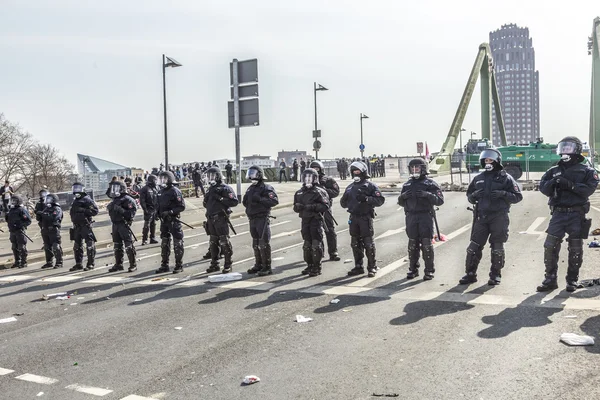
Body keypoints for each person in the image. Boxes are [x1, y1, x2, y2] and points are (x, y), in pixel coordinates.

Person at [537, 136, 599, 292]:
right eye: (562, 148)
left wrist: (569, 185)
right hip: (558, 214)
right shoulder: (553, 170)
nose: (564, 151)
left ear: (576, 150)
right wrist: (554, 182)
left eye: (568, 148)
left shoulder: (587, 171)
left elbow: (588, 190)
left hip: (576, 215)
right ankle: (550, 279)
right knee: (550, 246)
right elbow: (543, 188)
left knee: (575, 248)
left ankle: (572, 280)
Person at [459, 148, 523, 286]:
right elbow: (469, 196)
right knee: (473, 247)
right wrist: (474, 196)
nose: (488, 162)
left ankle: (495, 275)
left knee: (497, 247)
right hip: (481, 217)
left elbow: (518, 197)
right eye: (486, 160)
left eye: (490, 160)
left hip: (499, 217)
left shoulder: (506, 178)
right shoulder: (478, 178)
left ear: (497, 161)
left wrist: (503, 194)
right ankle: (470, 274)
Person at [397, 158, 444, 280]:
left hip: (425, 216)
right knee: (412, 244)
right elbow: (401, 202)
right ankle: (413, 269)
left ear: (422, 168)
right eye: (412, 168)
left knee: (426, 244)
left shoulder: (430, 183)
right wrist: (403, 197)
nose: (414, 170)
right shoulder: (407, 184)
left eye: (416, 168)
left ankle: (429, 270)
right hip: (411, 216)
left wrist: (427, 195)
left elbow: (440, 200)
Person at [340, 161, 385, 277]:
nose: (356, 173)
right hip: (353, 217)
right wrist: (345, 199)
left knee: (368, 243)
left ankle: (372, 266)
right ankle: (358, 266)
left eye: (358, 171)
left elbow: (380, 200)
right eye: (354, 171)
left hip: (365, 217)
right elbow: (343, 204)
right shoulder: (350, 187)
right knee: (355, 243)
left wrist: (366, 199)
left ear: (363, 172)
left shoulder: (370, 185)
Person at [243, 165, 279, 276]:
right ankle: (258, 264)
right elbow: (245, 201)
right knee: (256, 243)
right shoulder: (251, 188)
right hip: (252, 218)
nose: (251, 176)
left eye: (253, 173)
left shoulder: (266, 187)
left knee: (263, 243)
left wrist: (260, 199)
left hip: (262, 218)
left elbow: (274, 201)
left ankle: (267, 266)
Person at [293, 168, 330, 277]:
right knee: (307, 244)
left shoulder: (319, 191)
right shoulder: (299, 192)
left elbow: (325, 205)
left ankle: (316, 266)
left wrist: (312, 207)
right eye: (306, 177)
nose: (308, 180)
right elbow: (295, 206)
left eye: (310, 177)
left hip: (316, 220)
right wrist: (297, 207)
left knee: (315, 244)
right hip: (305, 220)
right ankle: (309, 265)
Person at [203, 166, 239, 273]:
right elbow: (206, 203)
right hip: (211, 219)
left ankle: (228, 264)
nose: (210, 178)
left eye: (212, 176)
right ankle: (214, 264)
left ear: (218, 176)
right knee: (213, 242)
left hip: (221, 218)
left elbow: (234, 202)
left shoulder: (225, 188)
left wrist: (220, 198)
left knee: (224, 241)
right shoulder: (210, 189)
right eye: (208, 176)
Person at [155, 171, 186, 274]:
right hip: (164, 221)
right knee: (164, 243)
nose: (163, 181)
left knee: (178, 243)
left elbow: (181, 206)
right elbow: (158, 205)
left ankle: (179, 265)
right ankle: (164, 265)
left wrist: (171, 212)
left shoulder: (175, 191)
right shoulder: (161, 191)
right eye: (161, 178)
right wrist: (157, 213)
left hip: (173, 220)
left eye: (165, 179)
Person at [310, 160, 341, 261]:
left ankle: (333, 252)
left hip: (326, 208)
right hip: (314, 209)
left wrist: (323, 190)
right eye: (313, 169)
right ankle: (319, 252)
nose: (315, 171)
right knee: (315, 231)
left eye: (317, 169)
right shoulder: (308, 180)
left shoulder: (328, 180)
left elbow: (336, 192)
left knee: (330, 230)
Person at [106, 180, 138, 273]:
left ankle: (133, 264)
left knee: (128, 245)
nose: (114, 190)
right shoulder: (115, 199)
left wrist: (121, 210)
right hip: (115, 224)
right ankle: (118, 264)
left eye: (116, 188)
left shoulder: (128, 199)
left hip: (123, 224)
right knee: (117, 245)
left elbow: (131, 214)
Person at [69, 182, 99, 271]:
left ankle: (90, 263)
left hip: (85, 225)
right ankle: (78, 263)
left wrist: (84, 210)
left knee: (89, 245)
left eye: (78, 188)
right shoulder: (75, 200)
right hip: (76, 226)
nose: (76, 190)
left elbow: (95, 211)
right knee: (77, 246)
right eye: (75, 188)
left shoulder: (87, 199)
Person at [37, 193, 64, 269]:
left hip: (53, 229)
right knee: (47, 246)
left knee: (56, 246)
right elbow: (41, 218)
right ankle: (49, 262)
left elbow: (54, 217)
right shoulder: (46, 208)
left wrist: (44, 214)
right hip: (45, 229)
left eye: (49, 199)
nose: (47, 201)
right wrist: (39, 215)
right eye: (47, 199)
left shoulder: (57, 208)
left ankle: (59, 262)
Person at [6, 195, 32, 269]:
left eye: (14, 201)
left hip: (20, 231)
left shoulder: (21, 209)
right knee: (14, 247)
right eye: (12, 200)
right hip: (12, 231)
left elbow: (28, 221)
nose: (13, 202)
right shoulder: (11, 210)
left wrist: (20, 225)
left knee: (21, 247)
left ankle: (24, 262)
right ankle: (17, 261)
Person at [34, 187, 53, 269]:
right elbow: (36, 211)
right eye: (41, 194)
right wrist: (38, 212)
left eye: (44, 193)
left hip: (50, 224)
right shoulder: (39, 203)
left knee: (55, 243)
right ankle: (49, 261)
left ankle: (59, 260)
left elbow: (55, 212)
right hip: (42, 223)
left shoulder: (50, 202)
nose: (42, 195)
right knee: (47, 244)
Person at [138, 174, 159, 245]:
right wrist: (145, 209)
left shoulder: (156, 188)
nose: (156, 182)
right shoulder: (145, 189)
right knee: (147, 225)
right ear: (152, 180)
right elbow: (142, 201)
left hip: (155, 209)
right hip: (148, 208)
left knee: (154, 224)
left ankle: (152, 238)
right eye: (155, 180)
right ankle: (144, 239)